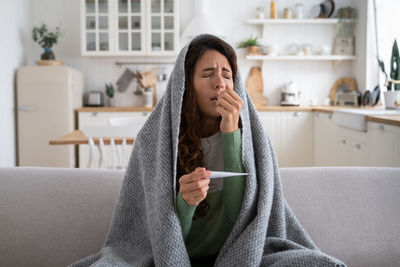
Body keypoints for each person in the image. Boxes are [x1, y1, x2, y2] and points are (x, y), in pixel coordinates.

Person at [70, 34, 345, 267]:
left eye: (227, 75)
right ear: (185, 86)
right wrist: (185, 203)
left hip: (241, 252)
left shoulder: (249, 137)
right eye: (207, 74)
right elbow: (162, 235)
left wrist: (230, 132)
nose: (220, 83)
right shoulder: (155, 140)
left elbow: (241, 217)